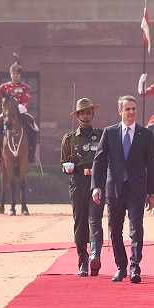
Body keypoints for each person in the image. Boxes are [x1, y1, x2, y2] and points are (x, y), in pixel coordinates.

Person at [91, 95, 154, 283]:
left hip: (136, 188)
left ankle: (135, 267)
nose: (131, 112)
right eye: (127, 109)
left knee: (136, 229)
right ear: (120, 111)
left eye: (134, 109)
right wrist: (96, 186)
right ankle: (121, 267)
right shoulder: (110, 132)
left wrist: (152, 193)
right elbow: (99, 161)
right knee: (114, 230)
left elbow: (151, 165)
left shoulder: (145, 134)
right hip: (114, 189)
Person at [61, 97, 105, 277]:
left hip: (96, 182)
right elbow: (63, 162)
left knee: (95, 219)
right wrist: (67, 167)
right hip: (78, 182)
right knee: (80, 222)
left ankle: (95, 255)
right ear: (77, 116)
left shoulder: (102, 136)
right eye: (82, 113)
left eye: (88, 112)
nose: (85, 115)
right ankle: (82, 260)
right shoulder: (69, 139)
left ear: (93, 114)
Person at [0, 55, 40, 164]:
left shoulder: (26, 87)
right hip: (6, 114)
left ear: (20, 75)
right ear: (10, 75)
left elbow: (26, 101)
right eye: (13, 74)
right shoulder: (5, 86)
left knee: (34, 128)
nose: (15, 75)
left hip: (21, 112)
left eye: (17, 74)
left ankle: (31, 155)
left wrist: (19, 109)